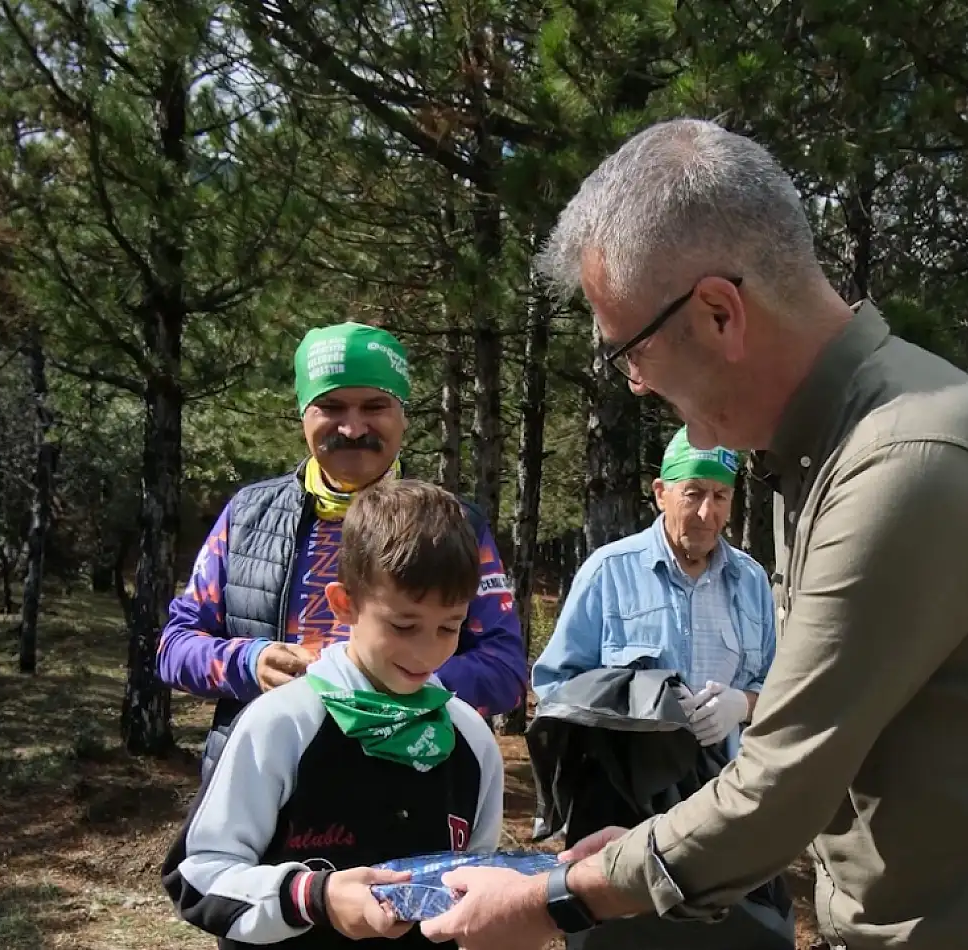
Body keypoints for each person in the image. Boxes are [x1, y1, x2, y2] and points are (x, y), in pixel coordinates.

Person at [418, 119, 968, 950]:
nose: (634, 384)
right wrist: (629, 855)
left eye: (628, 350)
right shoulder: (814, 450)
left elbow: (780, 789)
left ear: (717, 314)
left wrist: (556, 899)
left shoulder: (910, 460)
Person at [157, 322, 527, 780]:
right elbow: (174, 648)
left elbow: (505, 671)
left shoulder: (457, 524)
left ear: (403, 416)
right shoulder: (246, 515)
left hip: (412, 781)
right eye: (330, 407)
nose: (353, 428)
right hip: (261, 778)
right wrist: (251, 662)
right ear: (302, 417)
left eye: (375, 406)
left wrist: (386, 683)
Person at [162, 479, 505, 948]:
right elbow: (200, 876)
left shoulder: (470, 737)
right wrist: (314, 897)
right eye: (404, 625)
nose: (428, 651)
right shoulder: (282, 725)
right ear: (344, 604)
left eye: (450, 627)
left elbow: (478, 877)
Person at [533, 426, 776, 756]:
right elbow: (554, 689)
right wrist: (638, 710)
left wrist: (743, 705)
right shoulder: (609, 572)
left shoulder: (751, 581)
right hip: (630, 796)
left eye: (720, 496)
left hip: (727, 792)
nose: (707, 512)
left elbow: (778, 688)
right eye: (693, 494)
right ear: (661, 494)